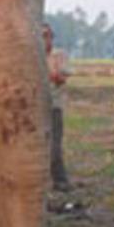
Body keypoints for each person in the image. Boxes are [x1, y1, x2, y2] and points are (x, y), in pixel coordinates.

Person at [44, 23, 71, 191]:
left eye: (47, 35)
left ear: (52, 37)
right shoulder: (31, 55)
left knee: (54, 147)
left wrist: (46, 74)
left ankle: (60, 181)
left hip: (54, 107)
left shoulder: (58, 55)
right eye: (40, 36)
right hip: (34, 108)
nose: (44, 39)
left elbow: (62, 78)